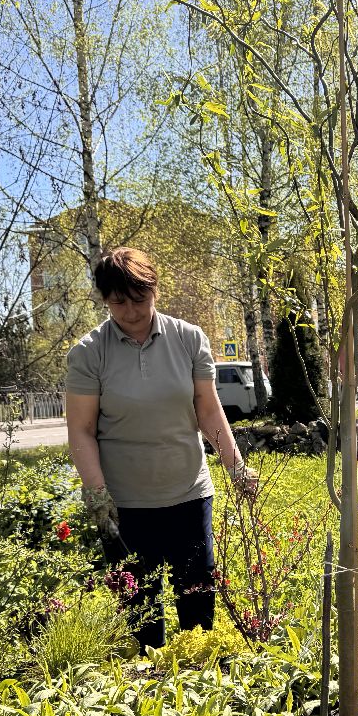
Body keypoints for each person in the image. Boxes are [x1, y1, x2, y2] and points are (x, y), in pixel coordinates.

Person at [65, 247, 258, 651]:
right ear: (104, 300)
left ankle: (202, 693)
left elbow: (208, 410)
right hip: (125, 504)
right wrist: (97, 494)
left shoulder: (188, 339)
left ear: (154, 291)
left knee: (198, 603)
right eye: (119, 302)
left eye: (140, 299)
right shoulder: (88, 352)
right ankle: (148, 695)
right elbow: (81, 430)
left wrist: (236, 467)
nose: (131, 311)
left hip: (188, 493)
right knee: (139, 614)